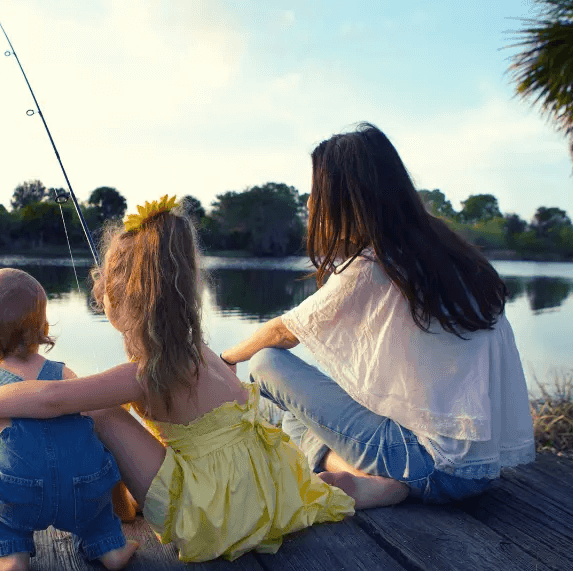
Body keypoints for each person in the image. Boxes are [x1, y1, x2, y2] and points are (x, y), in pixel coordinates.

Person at [0, 196, 356, 563]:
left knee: (97, 409)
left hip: (210, 515)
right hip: (265, 488)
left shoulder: (144, 373)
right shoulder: (198, 350)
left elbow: (53, 400)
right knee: (329, 486)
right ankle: (374, 486)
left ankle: (117, 511)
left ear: (120, 297)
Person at [220, 123, 535, 508]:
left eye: (316, 192)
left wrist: (224, 359)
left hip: (426, 464)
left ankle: (370, 477)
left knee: (266, 364)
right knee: (289, 410)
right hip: (478, 473)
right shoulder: (449, 254)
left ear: (345, 198)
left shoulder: (376, 263)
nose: (309, 204)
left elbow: (283, 333)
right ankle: (373, 480)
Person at [0, 268, 138, 571]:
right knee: (92, 502)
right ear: (42, 326)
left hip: (18, 497)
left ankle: (9, 559)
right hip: (82, 490)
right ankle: (111, 548)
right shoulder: (65, 375)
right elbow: (92, 428)